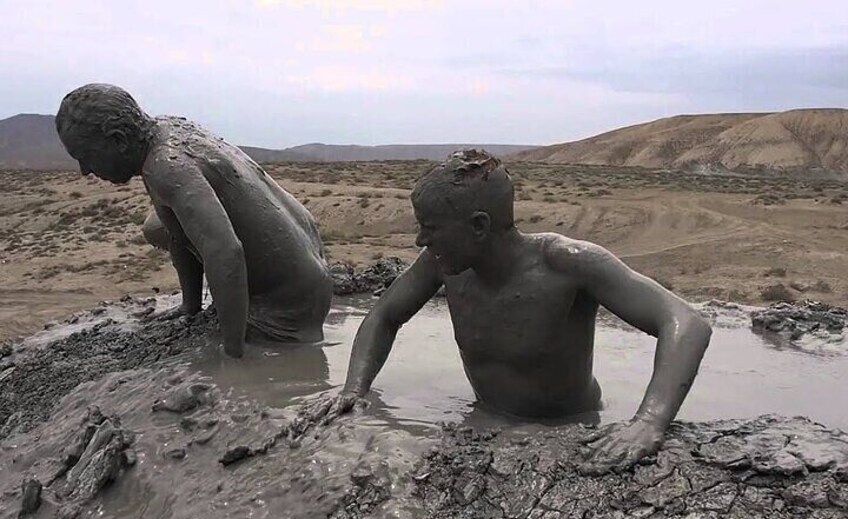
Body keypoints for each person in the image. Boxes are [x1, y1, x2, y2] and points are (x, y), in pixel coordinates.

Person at [332, 149, 712, 473]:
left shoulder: (565, 264)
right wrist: (355, 389)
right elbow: (384, 315)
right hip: (485, 421)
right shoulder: (440, 264)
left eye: (431, 228)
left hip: (570, 429)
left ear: (479, 225)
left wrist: (648, 422)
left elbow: (686, 324)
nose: (420, 240)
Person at [56, 83, 333, 358]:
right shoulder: (165, 130)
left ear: (117, 140)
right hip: (310, 273)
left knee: (209, 249)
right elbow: (177, 226)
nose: (84, 171)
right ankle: (196, 306)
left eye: (86, 157)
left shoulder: (166, 165)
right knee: (158, 226)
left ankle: (241, 336)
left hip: (286, 310)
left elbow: (225, 251)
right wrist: (190, 308)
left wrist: (234, 353)